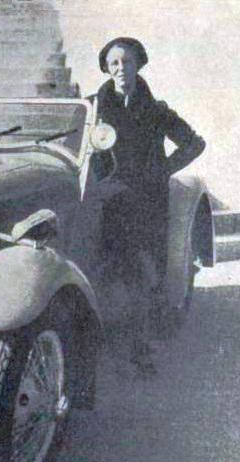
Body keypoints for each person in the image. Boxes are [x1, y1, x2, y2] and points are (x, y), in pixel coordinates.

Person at [85, 37, 205, 375]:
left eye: (127, 62)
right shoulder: (92, 107)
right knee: (104, 265)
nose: (121, 69)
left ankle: (139, 348)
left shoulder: (156, 110)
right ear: (107, 70)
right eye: (114, 64)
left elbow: (195, 143)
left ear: (139, 64)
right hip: (104, 198)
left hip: (145, 200)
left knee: (141, 271)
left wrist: (162, 169)